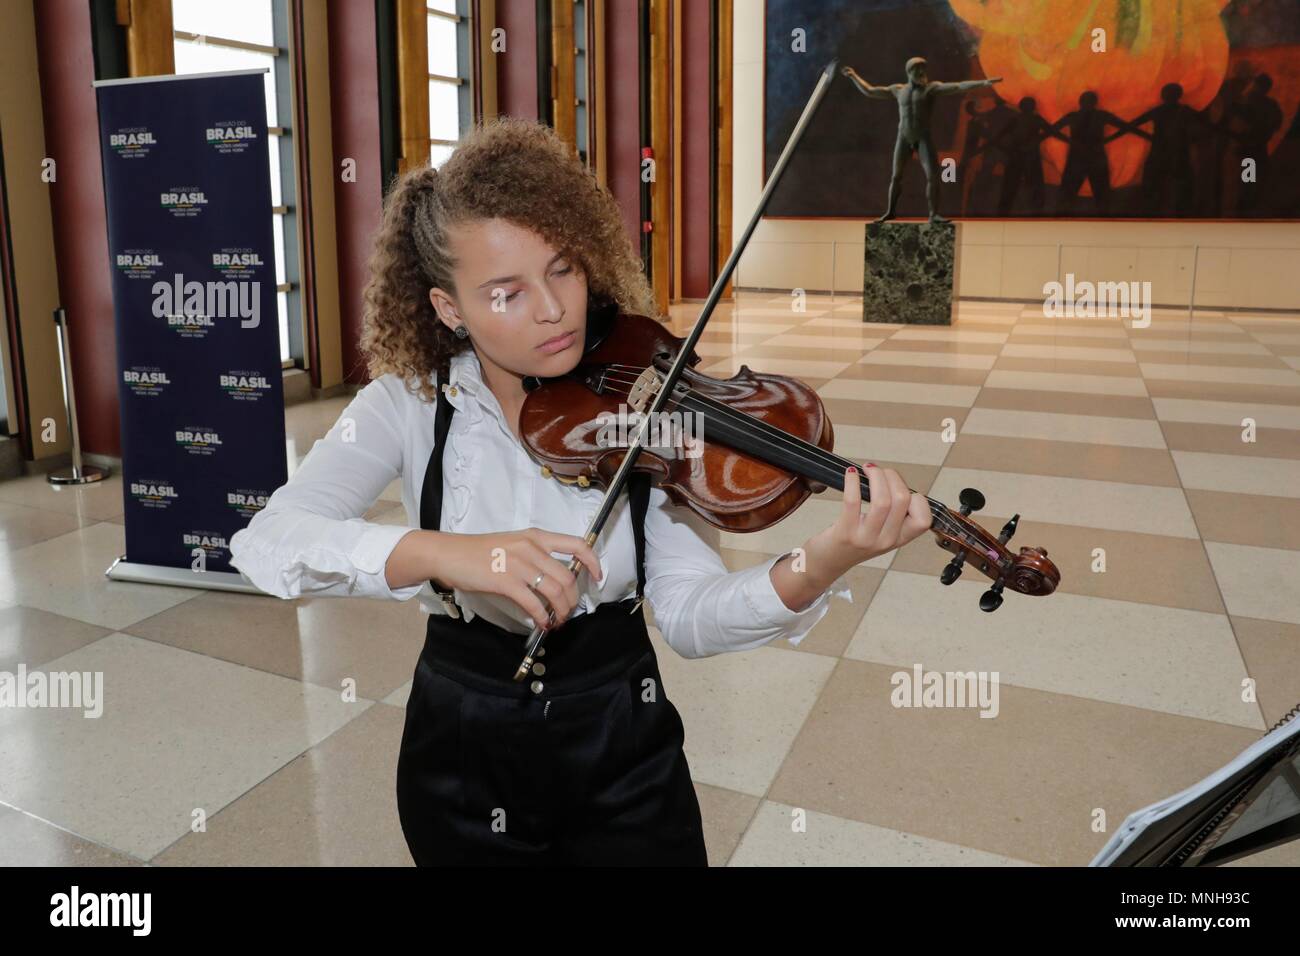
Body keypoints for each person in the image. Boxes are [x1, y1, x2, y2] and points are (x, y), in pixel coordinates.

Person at [228, 116, 933, 866]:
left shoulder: (647, 401)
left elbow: (693, 619)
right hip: (462, 744)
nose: (554, 307)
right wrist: (445, 553)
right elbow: (268, 542)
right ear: (447, 308)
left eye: (563, 268)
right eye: (506, 292)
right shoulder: (408, 404)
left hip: (623, 737)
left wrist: (821, 561)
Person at [841, 57, 1002, 222]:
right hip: (903, 137)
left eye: (923, 69)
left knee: (932, 176)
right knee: (896, 176)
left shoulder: (931, 89)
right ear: (909, 72)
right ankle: (890, 211)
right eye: (918, 70)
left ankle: (933, 214)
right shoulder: (898, 90)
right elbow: (870, 91)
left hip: (922, 137)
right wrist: (854, 76)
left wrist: (984, 83)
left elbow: (958, 86)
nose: (922, 73)